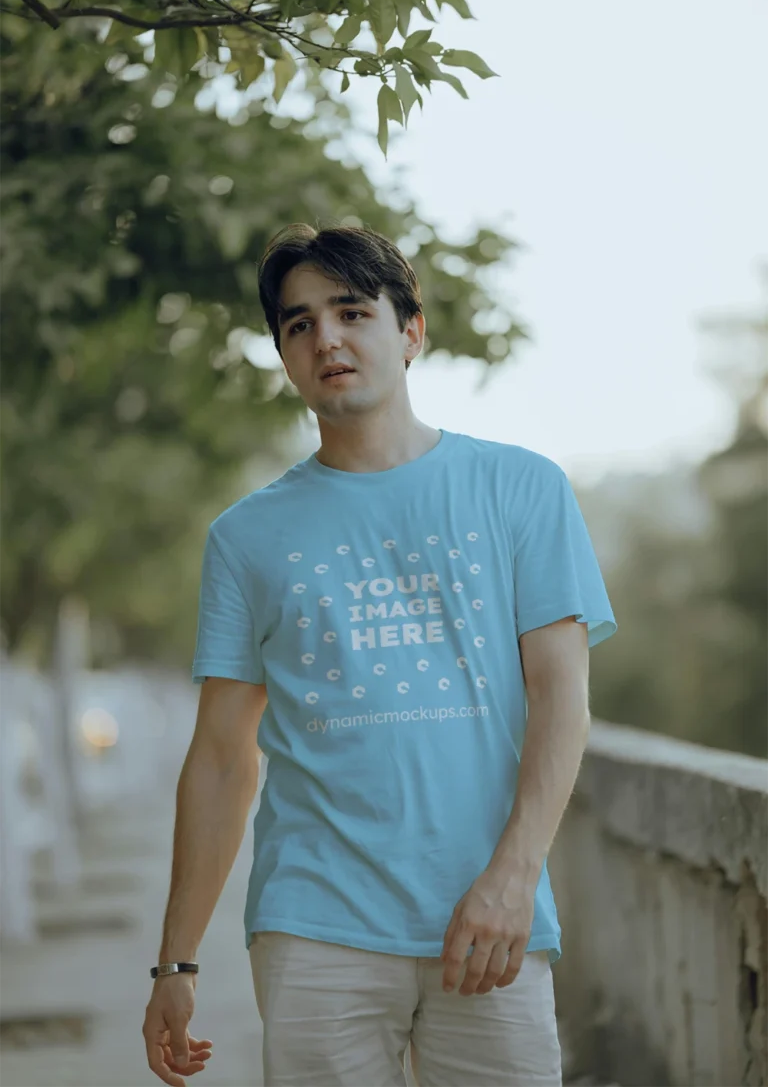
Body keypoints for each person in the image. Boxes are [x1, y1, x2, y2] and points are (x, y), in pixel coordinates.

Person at [142, 222, 617, 1087]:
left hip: (490, 918)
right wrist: (175, 964)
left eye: (351, 311)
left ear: (410, 331)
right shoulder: (246, 537)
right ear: (284, 353)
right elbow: (219, 760)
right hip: (314, 926)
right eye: (298, 324)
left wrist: (513, 878)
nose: (325, 337)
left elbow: (561, 703)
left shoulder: (520, 489)